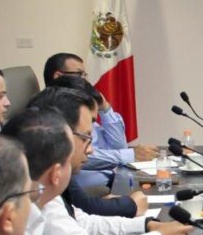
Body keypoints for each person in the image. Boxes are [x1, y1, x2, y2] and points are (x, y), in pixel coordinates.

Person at [26, 87, 192, 235]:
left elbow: (81, 222)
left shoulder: (44, 179)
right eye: (86, 137)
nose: (91, 150)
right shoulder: (33, 189)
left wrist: (147, 226)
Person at [43, 52, 157, 188]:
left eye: (85, 75)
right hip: (92, 190)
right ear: (58, 76)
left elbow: (119, 146)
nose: (85, 80)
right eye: (79, 74)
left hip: (115, 179)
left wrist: (104, 107)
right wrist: (129, 155)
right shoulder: (52, 111)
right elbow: (75, 153)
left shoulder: (81, 106)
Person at [48, 74, 145, 218]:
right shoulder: (53, 170)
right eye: (84, 138)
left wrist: (104, 107)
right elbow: (85, 207)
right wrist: (128, 206)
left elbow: (119, 146)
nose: (90, 150)